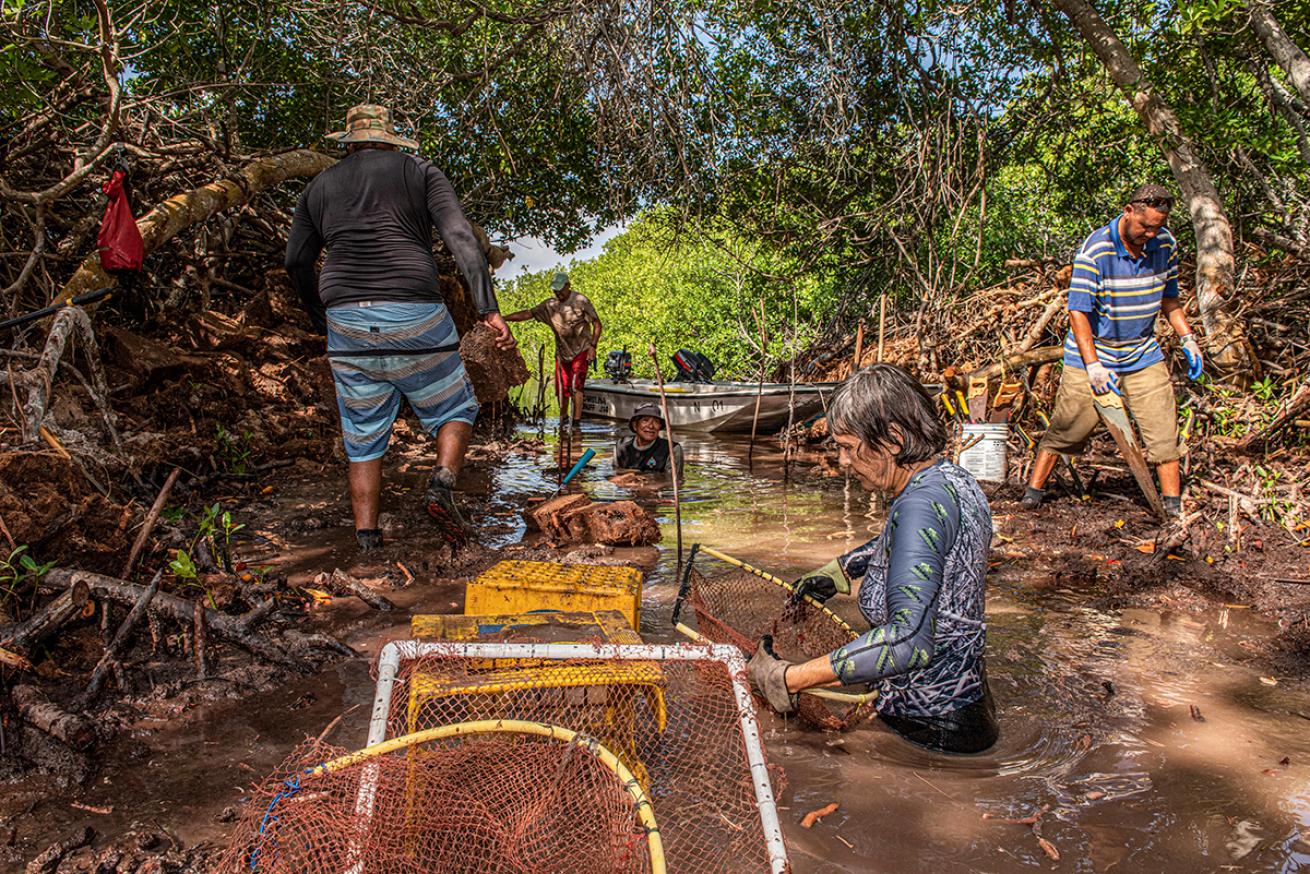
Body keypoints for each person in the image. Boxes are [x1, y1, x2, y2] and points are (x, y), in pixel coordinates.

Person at [284, 104, 515, 551]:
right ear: (391, 140)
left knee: (362, 438)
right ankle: (442, 481)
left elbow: (296, 261)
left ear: (348, 143)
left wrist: (320, 316)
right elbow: (461, 238)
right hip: (416, 312)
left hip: (346, 322)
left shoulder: (318, 187)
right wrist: (488, 309)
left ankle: (367, 543)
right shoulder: (421, 172)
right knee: (455, 408)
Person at [747, 364, 998, 754]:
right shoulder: (950, 480)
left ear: (893, 439)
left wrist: (789, 678)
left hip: (929, 731)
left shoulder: (919, 505)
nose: (843, 462)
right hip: (965, 708)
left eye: (848, 447)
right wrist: (842, 571)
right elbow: (912, 545)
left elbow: (907, 642)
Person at [1021, 184, 1203, 517]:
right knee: (1067, 429)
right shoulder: (1096, 251)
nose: (1149, 234)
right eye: (1144, 226)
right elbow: (1077, 311)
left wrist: (1188, 337)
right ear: (1128, 210)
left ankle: (1172, 508)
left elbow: (1170, 298)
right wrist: (1093, 366)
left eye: (1156, 227)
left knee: (1164, 433)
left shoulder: (1165, 244)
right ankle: (1032, 495)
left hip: (1142, 353)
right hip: (1093, 356)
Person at [504, 271, 602, 425]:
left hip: (581, 349)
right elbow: (528, 314)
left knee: (576, 385)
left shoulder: (580, 300)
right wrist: (504, 319)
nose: (558, 293)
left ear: (568, 286)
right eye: (555, 290)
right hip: (562, 352)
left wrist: (593, 346)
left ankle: (576, 423)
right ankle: (563, 419)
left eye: (560, 289)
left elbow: (597, 323)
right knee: (562, 387)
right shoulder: (549, 305)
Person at [613, 403, 684, 476]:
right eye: (645, 420)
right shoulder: (621, 447)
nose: (651, 426)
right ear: (635, 426)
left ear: (659, 426)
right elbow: (615, 473)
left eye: (656, 421)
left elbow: (673, 481)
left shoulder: (672, 449)